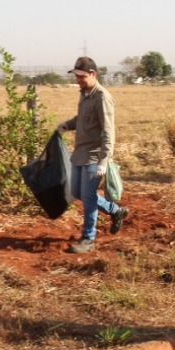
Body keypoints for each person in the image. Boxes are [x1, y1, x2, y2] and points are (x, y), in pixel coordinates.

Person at [56, 56, 128, 254]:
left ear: (93, 74)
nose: (77, 80)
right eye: (76, 76)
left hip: (94, 156)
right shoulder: (85, 93)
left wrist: (104, 162)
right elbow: (83, 119)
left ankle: (88, 238)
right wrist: (68, 125)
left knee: (87, 197)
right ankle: (116, 211)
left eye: (81, 76)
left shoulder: (103, 97)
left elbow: (108, 131)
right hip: (80, 153)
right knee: (78, 193)